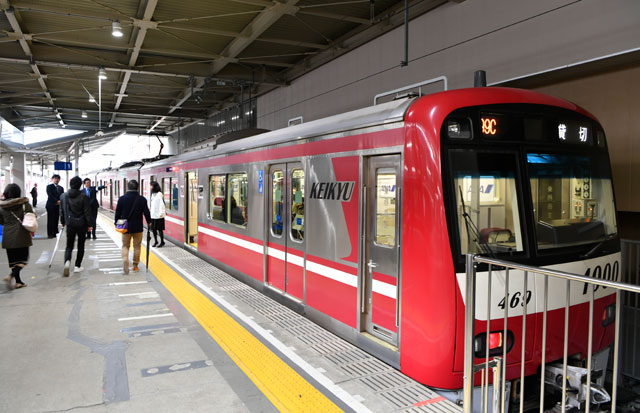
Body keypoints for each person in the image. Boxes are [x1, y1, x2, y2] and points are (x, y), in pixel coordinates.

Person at [0, 184, 33, 289]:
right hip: (22, 235)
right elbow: (31, 216)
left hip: (8, 236)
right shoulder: (24, 204)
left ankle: (18, 282)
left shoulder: (1, 206)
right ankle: (11, 276)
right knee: (23, 260)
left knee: (13, 262)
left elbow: (1, 221)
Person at [114, 180, 151, 275]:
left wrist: (116, 223)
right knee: (137, 246)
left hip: (125, 227)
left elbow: (117, 213)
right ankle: (135, 265)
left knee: (125, 245)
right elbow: (146, 212)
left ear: (128, 187)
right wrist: (149, 222)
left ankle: (125, 259)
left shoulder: (122, 199)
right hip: (138, 227)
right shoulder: (142, 199)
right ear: (138, 187)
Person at [60, 176, 92, 276]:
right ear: (80, 185)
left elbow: (62, 211)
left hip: (70, 223)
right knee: (81, 245)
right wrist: (90, 224)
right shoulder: (84, 197)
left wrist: (63, 221)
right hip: (82, 224)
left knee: (69, 245)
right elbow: (87, 212)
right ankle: (77, 266)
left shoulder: (64, 196)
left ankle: (67, 262)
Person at [149, 181, 166, 247]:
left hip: (159, 215)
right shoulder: (153, 194)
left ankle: (162, 241)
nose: (150, 187)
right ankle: (156, 241)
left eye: (151, 186)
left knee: (159, 229)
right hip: (153, 215)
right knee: (153, 229)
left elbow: (162, 204)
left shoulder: (159, 194)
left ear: (154, 187)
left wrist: (161, 213)